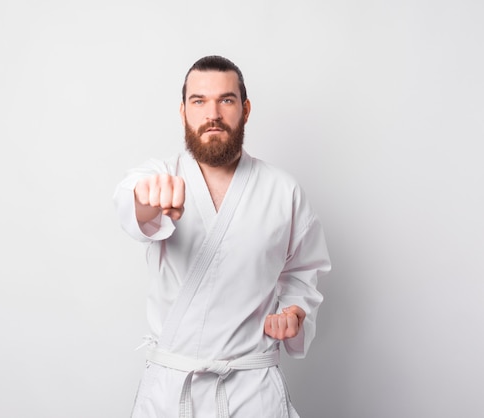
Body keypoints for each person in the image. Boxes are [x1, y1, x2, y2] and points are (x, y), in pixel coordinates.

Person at [113, 55, 331, 418]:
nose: (211, 113)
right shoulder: (161, 176)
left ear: (245, 110)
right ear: (183, 111)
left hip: (252, 389)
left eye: (225, 100)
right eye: (198, 101)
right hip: (172, 389)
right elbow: (130, 201)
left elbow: (304, 272)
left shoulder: (283, 191)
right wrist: (146, 197)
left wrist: (293, 312)